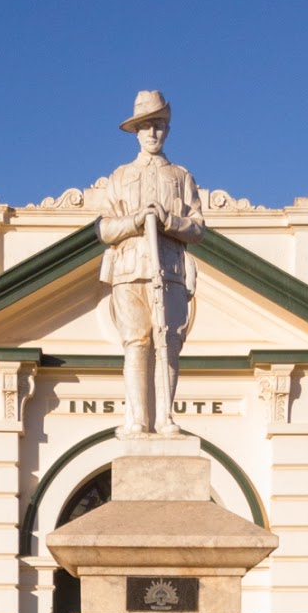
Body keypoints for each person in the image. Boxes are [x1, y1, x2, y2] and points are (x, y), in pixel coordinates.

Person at [96, 90, 205, 435]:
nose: (152, 133)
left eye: (158, 125)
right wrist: (135, 221)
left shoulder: (181, 177)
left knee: (168, 342)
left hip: (169, 271)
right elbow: (104, 227)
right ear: (136, 132)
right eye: (145, 127)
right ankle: (138, 419)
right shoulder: (120, 176)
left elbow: (198, 227)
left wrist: (169, 220)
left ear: (167, 129)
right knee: (136, 342)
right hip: (129, 271)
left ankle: (165, 418)